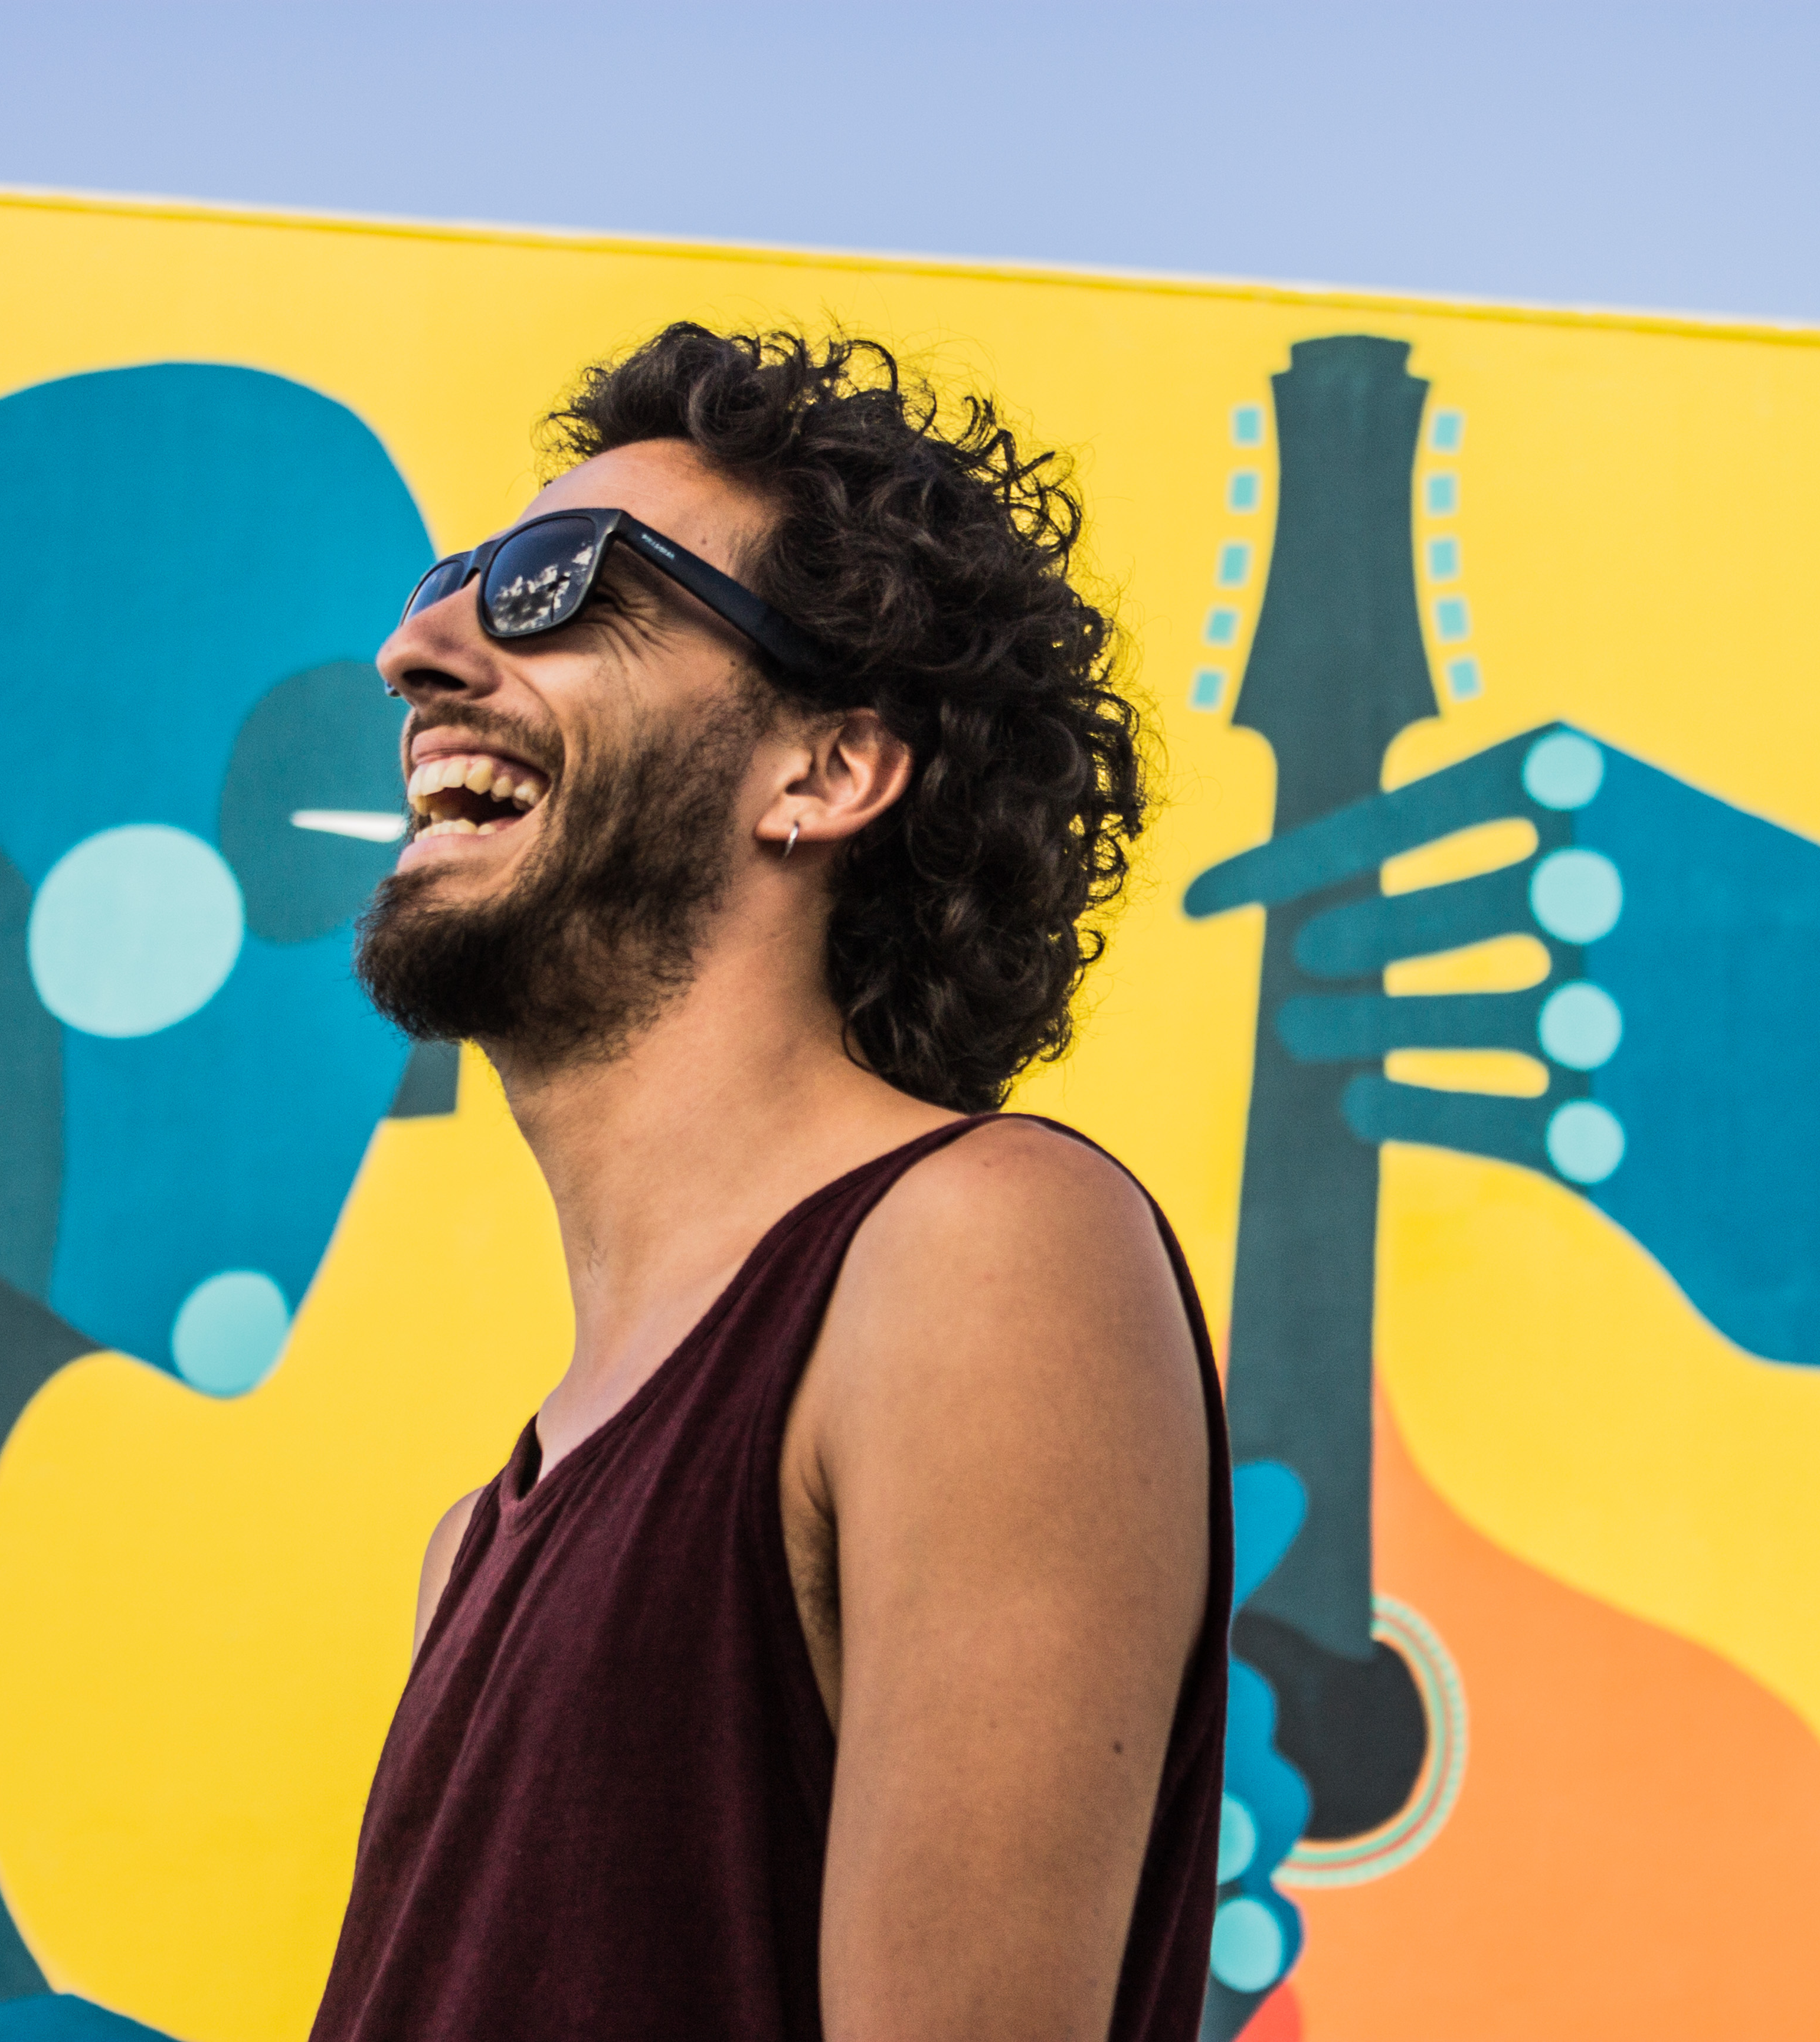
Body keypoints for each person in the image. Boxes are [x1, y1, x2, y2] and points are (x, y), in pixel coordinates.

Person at [309, 325, 1231, 2042]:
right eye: (448, 587)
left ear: (825, 769)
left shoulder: (984, 1251)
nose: (413, 651)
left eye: (560, 583)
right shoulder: (476, 1543)